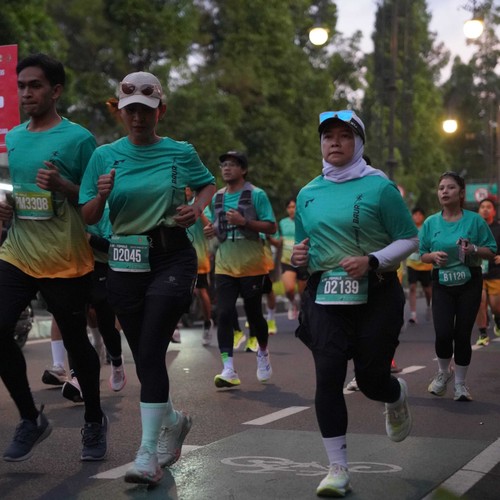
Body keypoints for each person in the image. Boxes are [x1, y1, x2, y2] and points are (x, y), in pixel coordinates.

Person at [79, 71, 215, 485]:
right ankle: (173, 420)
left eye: (146, 110)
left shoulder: (179, 151)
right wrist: (101, 195)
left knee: (152, 348)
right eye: (130, 111)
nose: (138, 118)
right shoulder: (104, 156)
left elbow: (206, 185)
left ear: (161, 112)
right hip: (123, 259)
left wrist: (195, 207)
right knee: (144, 355)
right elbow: (86, 214)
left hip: (171, 256)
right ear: (119, 112)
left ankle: (147, 455)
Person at [292, 110, 418, 497]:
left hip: (376, 292)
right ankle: (337, 468)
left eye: (344, 135)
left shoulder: (380, 188)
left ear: (359, 143)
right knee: (329, 375)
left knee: (370, 380)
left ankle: (394, 395)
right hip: (325, 294)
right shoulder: (307, 193)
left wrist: (372, 260)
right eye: (327, 136)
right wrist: (299, 258)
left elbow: (410, 239)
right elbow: (303, 248)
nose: (334, 142)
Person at [0, 53, 107, 462]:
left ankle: (94, 419)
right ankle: (31, 418)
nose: (27, 93)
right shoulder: (14, 138)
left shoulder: (78, 140)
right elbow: (19, 191)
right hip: (19, 251)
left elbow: (94, 202)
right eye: (21, 86)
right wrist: (7, 207)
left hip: (65, 257)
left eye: (36, 85)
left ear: (56, 90)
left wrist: (63, 185)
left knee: (77, 342)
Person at [420, 173, 496, 402]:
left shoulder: (475, 221)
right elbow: (423, 254)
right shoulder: (430, 222)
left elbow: (491, 250)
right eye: (441, 188)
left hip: (469, 281)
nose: (444, 191)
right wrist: (433, 256)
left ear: (461, 193)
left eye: (450, 187)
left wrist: (474, 249)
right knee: (443, 333)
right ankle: (444, 372)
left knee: (462, 334)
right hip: (442, 282)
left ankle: (461, 385)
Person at [204, 151, 277, 388]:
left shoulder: (257, 195)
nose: (226, 168)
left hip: (252, 265)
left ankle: (263, 352)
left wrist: (244, 222)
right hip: (224, 265)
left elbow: (271, 227)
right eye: (224, 164)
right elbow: (215, 226)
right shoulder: (217, 197)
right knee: (224, 313)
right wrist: (211, 230)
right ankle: (228, 369)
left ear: (243, 170)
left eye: (233, 164)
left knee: (254, 315)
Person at [186, 186, 215, 345]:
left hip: (199, 257)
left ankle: (207, 322)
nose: (184, 191)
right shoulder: (174, 205)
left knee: (201, 290)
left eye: (186, 188)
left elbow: (209, 226)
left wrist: (199, 209)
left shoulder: (201, 205)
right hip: (179, 258)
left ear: (191, 191)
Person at [474, 198, 500, 345]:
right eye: (482, 207)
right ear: (478, 211)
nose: (485, 209)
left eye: (488, 207)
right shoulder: (473, 229)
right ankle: (483, 333)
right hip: (478, 272)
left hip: (496, 272)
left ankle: (498, 319)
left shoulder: (498, 228)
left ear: (494, 211)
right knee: (480, 302)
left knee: (496, 306)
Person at [279, 197, 308, 320]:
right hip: (287, 260)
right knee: (289, 289)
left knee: (303, 292)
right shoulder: (282, 223)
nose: (292, 210)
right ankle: (292, 303)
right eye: (289, 207)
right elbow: (278, 239)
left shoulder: (304, 221)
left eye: (294, 207)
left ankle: (304, 312)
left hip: (302, 260)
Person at [406, 208, 433, 324]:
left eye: (419, 214)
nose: (417, 216)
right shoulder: (409, 228)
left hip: (425, 264)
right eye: (415, 214)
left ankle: (429, 305)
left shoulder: (426, 228)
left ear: (423, 217)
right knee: (412, 287)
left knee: (427, 289)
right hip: (411, 263)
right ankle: (413, 314)